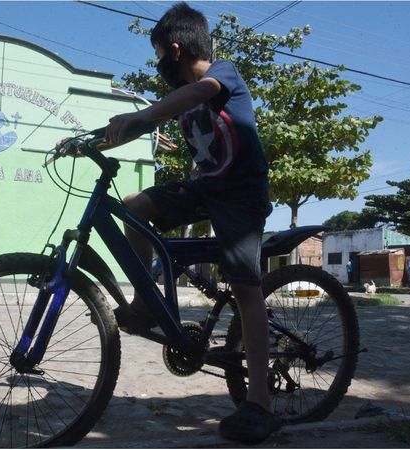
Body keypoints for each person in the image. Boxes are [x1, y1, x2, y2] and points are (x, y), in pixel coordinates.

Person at [104, 2, 279, 443]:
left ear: (175, 48)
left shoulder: (223, 71)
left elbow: (199, 94)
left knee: (244, 286)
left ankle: (260, 402)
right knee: (132, 206)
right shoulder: (182, 97)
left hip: (241, 191)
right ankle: (148, 300)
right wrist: (104, 136)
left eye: (159, 54)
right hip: (208, 187)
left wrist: (144, 115)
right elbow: (183, 115)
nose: (158, 63)